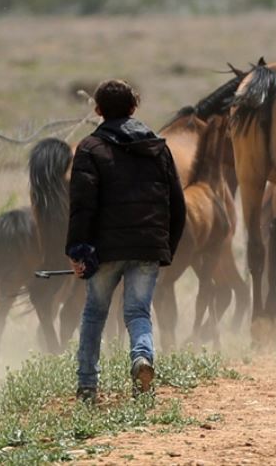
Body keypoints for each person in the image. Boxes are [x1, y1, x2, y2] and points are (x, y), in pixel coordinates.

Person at [67, 79, 185, 403]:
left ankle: (87, 386)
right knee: (138, 313)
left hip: (104, 251)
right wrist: (164, 249)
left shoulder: (89, 150)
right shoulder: (158, 148)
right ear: (134, 107)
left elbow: (81, 206)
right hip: (148, 246)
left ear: (98, 110)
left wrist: (78, 249)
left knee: (94, 314)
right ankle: (142, 360)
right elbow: (178, 204)